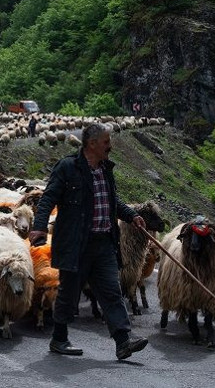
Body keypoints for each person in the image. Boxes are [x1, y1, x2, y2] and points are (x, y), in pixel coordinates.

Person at [29, 123, 149, 360]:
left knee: (112, 291)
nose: (110, 146)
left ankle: (123, 341)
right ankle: (59, 339)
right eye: (106, 142)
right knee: (68, 293)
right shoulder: (67, 168)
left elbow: (112, 200)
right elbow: (48, 198)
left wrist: (131, 215)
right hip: (77, 243)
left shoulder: (105, 169)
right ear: (92, 144)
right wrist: (39, 227)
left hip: (104, 243)